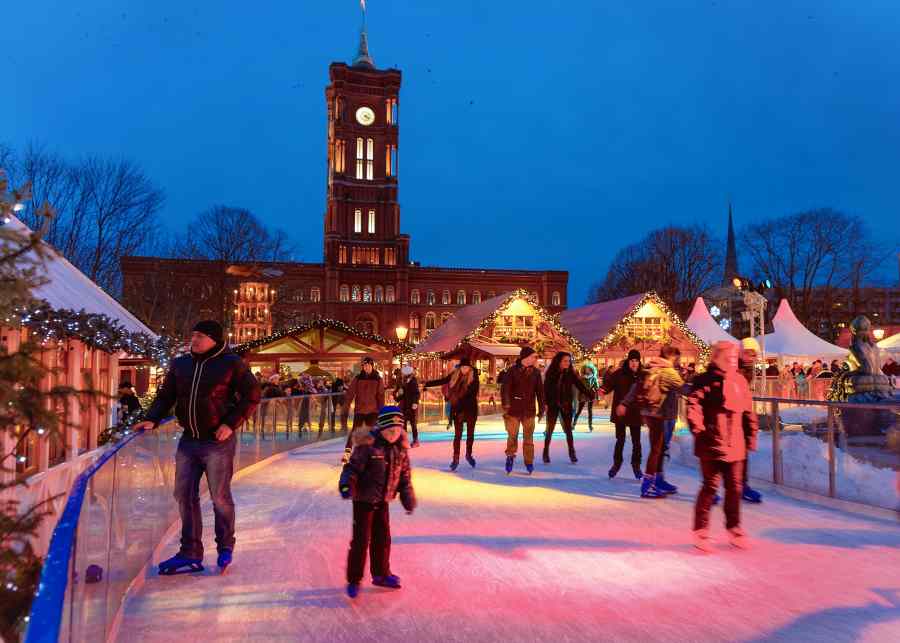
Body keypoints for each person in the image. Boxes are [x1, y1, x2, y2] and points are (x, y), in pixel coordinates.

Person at [133, 320, 261, 574]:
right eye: (193, 335)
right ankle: (190, 551)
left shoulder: (231, 364)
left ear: (214, 339)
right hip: (189, 440)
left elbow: (253, 394)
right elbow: (165, 396)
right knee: (184, 495)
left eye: (200, 336)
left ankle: (225, 546)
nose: (194, 340)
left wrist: (230, 423)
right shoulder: (181, 365)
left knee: (220, 497)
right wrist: (152, 417)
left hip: (218, 441)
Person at [687, 341, 758, 552]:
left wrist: (751, 434)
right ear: (716, 358)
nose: (732, 361)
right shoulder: (704, 380)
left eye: (735, 358)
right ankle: (701, 531)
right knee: (710, 486)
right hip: (711, 441)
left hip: (736, 443)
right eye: (728, 357)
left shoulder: (740, 381)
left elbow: (747, 410)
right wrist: (698, 429)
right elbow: (693, 406)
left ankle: (734, 527)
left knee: (735, 488)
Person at [339, 406, 416, 599]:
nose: (394, 434)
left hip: (383, 501)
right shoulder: (368, 445)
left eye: (398, 430)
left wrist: (407, 496)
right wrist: (347, 484)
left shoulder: (401, 449)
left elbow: (404, 477)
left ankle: (381, 574)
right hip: (363, 501)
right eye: (390, 430)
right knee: (360, 541)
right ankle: (354, 579)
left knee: (382, 539)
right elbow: (352, 468)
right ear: (381, 427)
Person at [619, 345, 684, 498]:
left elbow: (635, 388)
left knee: (659, 448)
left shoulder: (649, 367)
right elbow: (684, 389)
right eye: (677, 358)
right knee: (658, 449)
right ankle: (648, 485)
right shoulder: (668, 371)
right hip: (662, 413)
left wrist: (624, 403)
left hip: (648, 412)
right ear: (672, 357)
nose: (677, 361)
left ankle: (657, 480)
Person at [424, 357, 480, 469]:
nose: (464, 369)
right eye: (463, 367)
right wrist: (427, 383)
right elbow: (443, 380)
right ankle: (455, 458)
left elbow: (471, 395)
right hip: (458, 409)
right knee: (457, 435)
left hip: (470, 410)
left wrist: (458, 401)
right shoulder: (454, 376)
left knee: (470, 434)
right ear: (460, 367)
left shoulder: (474, 378)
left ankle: (469, 454)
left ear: (470, 368)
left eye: (466, 367)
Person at [600, 349, 644, 480]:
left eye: (636, 361)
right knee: (620, 440)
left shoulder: (642, 375)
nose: (634, 363)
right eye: (632, 361)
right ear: (628, 361)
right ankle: (616, 464)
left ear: (639, 361)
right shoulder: (619, 373)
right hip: (621, 412)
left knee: (637, 441)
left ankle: (636, 465)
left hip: (635, 412)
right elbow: (609, 384)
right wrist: (603, 389)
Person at [543, 352, 593, 464]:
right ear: (559, 361)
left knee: (569, 431)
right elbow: (545, 390)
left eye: (569, 361)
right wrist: (545, 403)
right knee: (550, 430)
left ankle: (572, 452)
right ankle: (545, 452)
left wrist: (590, 394)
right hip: (553, 405)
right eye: (565, 361)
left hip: (566, 404)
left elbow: (579, 385)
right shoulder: (551, 373)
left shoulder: (570, 373)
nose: (568, 363)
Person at [501, 346, 545, 475]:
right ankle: (510, 456)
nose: (536, 359)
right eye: (534, 356)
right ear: (526, 357)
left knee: (528, 439)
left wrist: (542, 408)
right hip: (513, 410)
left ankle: (529, 461)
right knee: (512, 436)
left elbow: (540, 392)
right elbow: (505, 389)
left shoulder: (536, 373)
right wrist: (507, 405)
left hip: (529, 410)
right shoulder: (512, 371)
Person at [342, 357, 386, 463]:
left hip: (373, 411)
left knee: (372, 432)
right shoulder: (358, 378)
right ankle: (347, 452)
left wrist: (381, 411)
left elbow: (380, 396)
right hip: (360, 410)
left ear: (372, 366)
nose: (366, 367)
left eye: (368, 365)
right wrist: (346, 407)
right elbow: (350, 393)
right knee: (354, 431)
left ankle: (374, 453)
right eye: (364, 366)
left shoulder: (377, 379)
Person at [738, 338, 764, 504]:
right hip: (732, 415)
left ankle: (743, 485)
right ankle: (711, 487)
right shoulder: (735, 367)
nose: (751, 357)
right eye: (748, 353)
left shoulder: (748, 369)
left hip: (743, 414)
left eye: (754, 354)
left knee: (743, 453)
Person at [393, 365, 421, 447]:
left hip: (412, 406)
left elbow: (416, 393)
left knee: (413, 424)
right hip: (404, 406)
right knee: (403, 423)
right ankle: (405, 440)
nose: (402, 374)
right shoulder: (403, 382)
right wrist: (396, 397)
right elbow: (402, 395)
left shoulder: (413, 381)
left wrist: (415, 403)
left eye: (403, 373)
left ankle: (415, 440)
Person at [572, 361, 599, 431]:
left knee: (590, 411)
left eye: (589, 369)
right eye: (586, 369)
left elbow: (596, 387)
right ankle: (573, 424)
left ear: (592, 369)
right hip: (583, 394)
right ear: (584, 369)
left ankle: (590, 425)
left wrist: (597, 396)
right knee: (579, 410)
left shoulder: (593, 377)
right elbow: (578, 386)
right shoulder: (581, 378)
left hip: (590, 395)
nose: (587, 370)